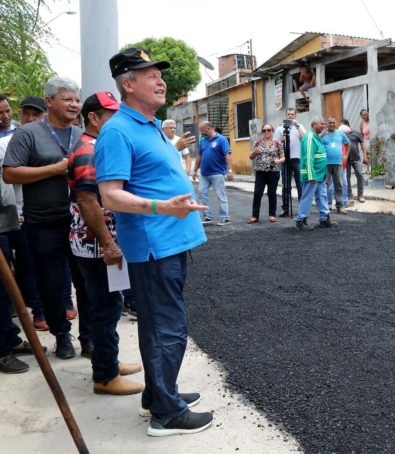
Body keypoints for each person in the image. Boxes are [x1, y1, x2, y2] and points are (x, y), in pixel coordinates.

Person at [95, 47, 212, 436]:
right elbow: (109, 195)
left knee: (159, 323)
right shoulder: (117, 130)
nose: (160, 80)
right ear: (128, 85)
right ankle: (166, 413)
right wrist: (162, 207)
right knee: (168, 326)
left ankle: (159, 393)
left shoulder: (149, 125)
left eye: (158, 74)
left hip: (170, 241)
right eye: (149, 75)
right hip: (153, 245)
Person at [67, 91, 144, 395]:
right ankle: (105, 375)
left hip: (96, 244)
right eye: (111, 114)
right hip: (98, 247)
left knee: (105, 306)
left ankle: (107, 361)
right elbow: (87, 202)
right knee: (106, 308)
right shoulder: (89, 150)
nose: (118, 120)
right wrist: (110, 244)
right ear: (94, 118)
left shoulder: (97, 145)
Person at [3, 77, 86, 359]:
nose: (74, 104)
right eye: (68, 99)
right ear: (49, 101)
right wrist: (56, 169)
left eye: (77, 99)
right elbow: (10, 173)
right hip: (43, 223)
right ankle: (62, 334)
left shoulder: (81, 134)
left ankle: (89, 338)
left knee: (87, 282)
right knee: (51, 284)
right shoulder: (28, 134)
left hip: (79, 221)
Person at [0, 95, 48, 331]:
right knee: (6, 274)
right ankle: (9, 328)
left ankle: (39, 312)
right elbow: (10, 175)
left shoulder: (29, 136)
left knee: (32, 266)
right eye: (1, 112)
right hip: (4, 218)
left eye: (7, 110)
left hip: (28, 213)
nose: (5, 116)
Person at [295, 117, 333, 230]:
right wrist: (311, 176)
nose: (324, 126)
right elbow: (308, 158)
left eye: (324, 124)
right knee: (307, 197)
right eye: (322, 124)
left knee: (322, 196)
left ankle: (324, 219)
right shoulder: (310, 137)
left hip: (319, 175)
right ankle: (300, 220)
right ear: (314, 124)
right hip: (312, 175)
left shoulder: (316, 136)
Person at [193, 120, 233, 226]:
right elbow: (199, 156)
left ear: (209, 128)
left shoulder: (221, 139)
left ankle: (225, 218)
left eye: (202, 130)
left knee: (221, 195)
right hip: (204, 174)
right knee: (202, 194)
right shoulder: (203, 141)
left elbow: (227, 155)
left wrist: (229, 171)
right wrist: (194, 170)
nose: (201, 132)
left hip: (217, 173)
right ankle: (207, 217)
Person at [248, 123, 284, 224]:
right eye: (264, 130)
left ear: (272, 131)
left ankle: (272, 215)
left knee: (272, 193)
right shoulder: (257, 142)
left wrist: (278, 161)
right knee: (257, 193)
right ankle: (255, 216)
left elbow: (283, 157)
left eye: (268, 130)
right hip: (260, 172)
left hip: (273, 172)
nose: (266, 132)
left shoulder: (277, 143)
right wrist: (255, 152)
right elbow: (251, 157)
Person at [276, 108, 305, 217]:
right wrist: (282, 139)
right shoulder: (280, 128)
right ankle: (285, 209)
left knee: (300, 185)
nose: (290, 116)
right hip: (285, 160)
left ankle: (302, 208)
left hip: (297, 159)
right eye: (288, 114)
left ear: (295, 115)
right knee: (286, 186)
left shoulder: (300, 126)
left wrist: (297, 126)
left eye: (292, 114)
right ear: (285, 115)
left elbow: (304, 138)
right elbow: (276, 144)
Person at [321, 117, 350, 214]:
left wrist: (346, 155)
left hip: (338, 163)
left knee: (339, 185)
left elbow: (348, 144)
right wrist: (320, 135)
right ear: (326, 123)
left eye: (333, 123)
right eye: (330, 123)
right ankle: (325, 206)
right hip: (325, 164)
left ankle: (340, 206)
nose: (332, 124)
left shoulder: (340, 133)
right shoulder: (323, 134)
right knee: (325, 185)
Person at [344, 123, 366, 203]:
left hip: (356, 158)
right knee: (347, 177)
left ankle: (360, 195)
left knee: (360, 175)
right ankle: (349, 195)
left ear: (348, 125)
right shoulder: (340, 134)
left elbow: (362, 145)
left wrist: (365, 156)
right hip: (346, 159)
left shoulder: (356, 133)